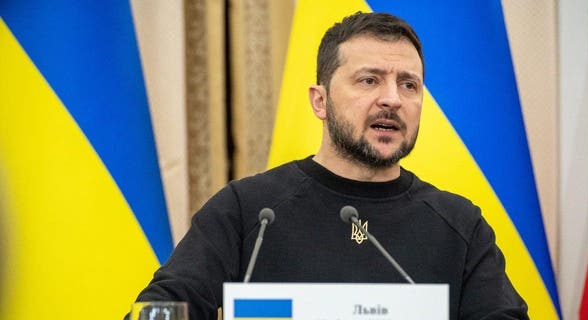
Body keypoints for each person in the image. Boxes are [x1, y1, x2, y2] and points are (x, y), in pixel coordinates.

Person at [130, 11, 529, 320]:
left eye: (408, 84)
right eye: (369, 80)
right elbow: (163, 306)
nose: (392, 99)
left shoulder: (459, 225)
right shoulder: (249, 211)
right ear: (319, 101)